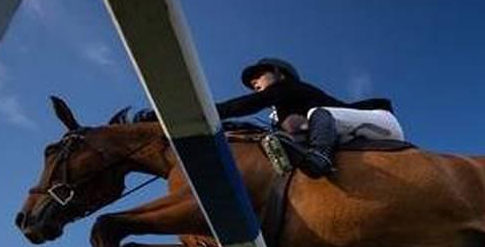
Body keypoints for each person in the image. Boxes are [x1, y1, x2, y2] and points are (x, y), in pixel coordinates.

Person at [142, 58, 403, 178]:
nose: (254, 83)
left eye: (259, 76)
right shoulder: (279, 114)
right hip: (345, 137)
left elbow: (242, 106)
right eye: (252, 81)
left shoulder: (291, 89)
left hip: (377, 124)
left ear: (279, 73)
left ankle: (321, 155)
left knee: (316, 115)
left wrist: (185, 114)